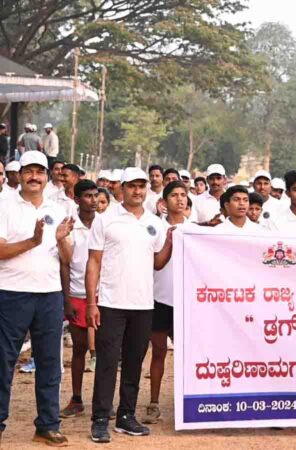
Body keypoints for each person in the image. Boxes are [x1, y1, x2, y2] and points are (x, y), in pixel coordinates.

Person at [86, 167, 173, 443]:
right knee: (108, 363)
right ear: (121, 188)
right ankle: (100, 419)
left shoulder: (154, 223)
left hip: (143, 305)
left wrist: (171, 239)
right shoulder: (105, 219)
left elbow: (157, 262)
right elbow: (94, 262)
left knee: (135, 362)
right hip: (111, 303)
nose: (137, 191)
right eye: (132, 186)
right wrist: (91, 302)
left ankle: (126, 416)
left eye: (141, 186)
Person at [0, 151, 73, 447]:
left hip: (49, 294)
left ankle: (47, 424)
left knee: (49, 362)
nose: (34, 177)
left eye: (39, 172)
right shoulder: (5, 206)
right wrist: (33, 241)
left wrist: (60, 240)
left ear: (47, 177)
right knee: (4, 361)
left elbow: (69, 259)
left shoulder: (58, 208)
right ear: (19, 175)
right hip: (12, 293)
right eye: (29, 171)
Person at [145, 181, 190, 425]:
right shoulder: (155, 228)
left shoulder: (194, 230)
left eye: (183, 195)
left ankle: (188, 400)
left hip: (188, 301)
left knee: (187, 354)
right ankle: (153, 402)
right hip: (160, 299)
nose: (180, 199)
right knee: (159, 352)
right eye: (174, 195)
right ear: (164, 202)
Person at [59, 180, 100, 419]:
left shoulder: (105, 224)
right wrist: (66, 300)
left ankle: (102, 401)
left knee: (105, 350)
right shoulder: (70, 225)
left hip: (102, 295)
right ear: (77, 199)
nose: (93, 200)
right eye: (88, 196)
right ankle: (76, 399)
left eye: (96, 195)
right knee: (79, 349)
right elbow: (65, 264)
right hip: (76, 293)